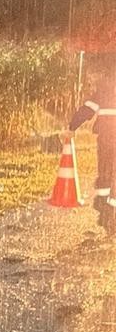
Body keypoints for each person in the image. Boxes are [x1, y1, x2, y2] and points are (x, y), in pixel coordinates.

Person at [61, 58, 116, 235]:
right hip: (109, 137)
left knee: (105, 171)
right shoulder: (105, 88)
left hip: (106, 138)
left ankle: (103, 207)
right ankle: (109, 210)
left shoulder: (104, 89)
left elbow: (87, 110)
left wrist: (72, 127)